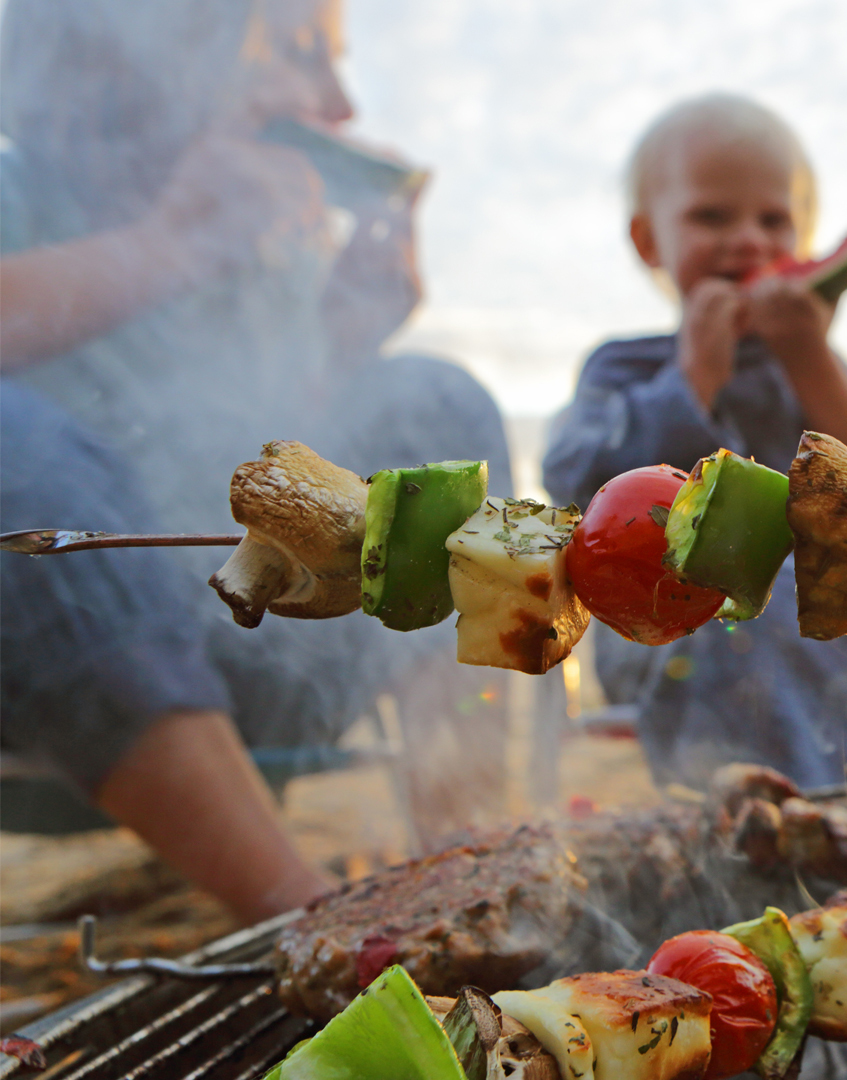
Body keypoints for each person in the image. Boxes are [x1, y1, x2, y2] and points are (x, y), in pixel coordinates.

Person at [0, 0, 512, 919]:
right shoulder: (22, 189)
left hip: (253, 661)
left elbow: (267, 480)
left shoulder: (271, 255)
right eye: (298, 53)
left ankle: (469, 875)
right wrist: (166, 247)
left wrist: (342, 341)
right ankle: (304, 917)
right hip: (47, 693)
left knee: (434, 401)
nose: (341, 104)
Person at [544, 94, 847, 789]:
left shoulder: (809, 366)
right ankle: (793, 821)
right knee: (754, 615)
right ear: (649, 240)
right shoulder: (625, 366)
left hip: (840, 617)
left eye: (773, 220)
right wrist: (693, 379)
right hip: (681, 624)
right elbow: (576, 475)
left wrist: (812, 358)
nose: (748, 239)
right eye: (711, 216)